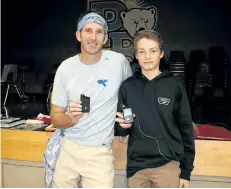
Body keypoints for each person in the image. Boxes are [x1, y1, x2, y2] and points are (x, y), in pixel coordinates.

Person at [48, 11, 132, 188]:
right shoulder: (66, 68)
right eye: (88, 31)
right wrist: (70, 119)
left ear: (105, 37)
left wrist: (127, 125)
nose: (93, 37)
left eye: (99, 32)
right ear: (79, 35)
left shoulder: (119, 63)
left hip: (100, 153)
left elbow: (130, 95)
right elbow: (55, 117)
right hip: (68, 148)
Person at [115, 30, 195, 188]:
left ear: (161, 53)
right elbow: (120, 130)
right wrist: (123, 127)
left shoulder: (174, 86)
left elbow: (186, 129)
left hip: (167, 165)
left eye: (152, 51)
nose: (147, 56)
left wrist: (186, 171)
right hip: (136, 167)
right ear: (136, 55)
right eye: (142, 52)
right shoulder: (127, 86)